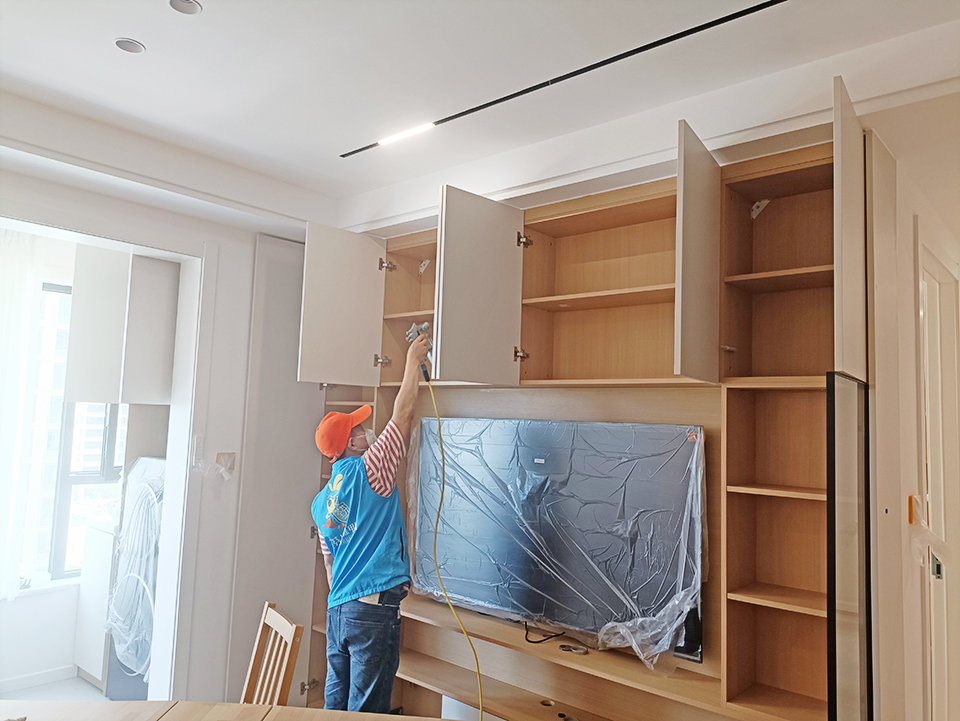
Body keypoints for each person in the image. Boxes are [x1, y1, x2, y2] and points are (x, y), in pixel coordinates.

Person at [311, 333, 430, 713]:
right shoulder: (371, 469)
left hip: (338, 611)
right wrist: (412, 360)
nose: (366, 431)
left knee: (337, 705)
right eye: (359, 430)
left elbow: (330, 563)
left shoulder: (320, 502)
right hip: (372, 608)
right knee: (368, 712)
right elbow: (403, 415)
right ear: (351, 444)